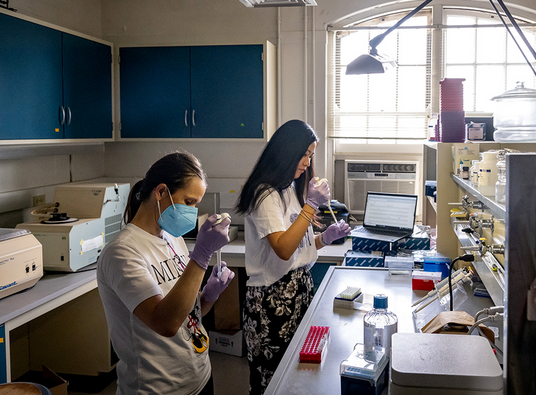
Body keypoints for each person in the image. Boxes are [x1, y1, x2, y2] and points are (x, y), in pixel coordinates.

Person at [97, 151, 234, 395]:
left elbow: (187, 314)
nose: (193, 211)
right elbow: (166, 323)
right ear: (160, 192)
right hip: (158, 388)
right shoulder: (122, 252)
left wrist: (209, 296)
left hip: (199, 377)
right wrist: (201, 255)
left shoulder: (172, 238)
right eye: (189, 202)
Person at [235, 120, 351, 394]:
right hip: (271, 300)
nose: (308, 162)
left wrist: (324, 239)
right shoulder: (264, 194)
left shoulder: (290, 188)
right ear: (287, 152)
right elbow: (283, 249)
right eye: (306, 154)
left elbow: (298, 246)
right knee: (271, 380)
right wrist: (311, 205)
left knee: (298, 375)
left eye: (311, 155)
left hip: (298, 289)